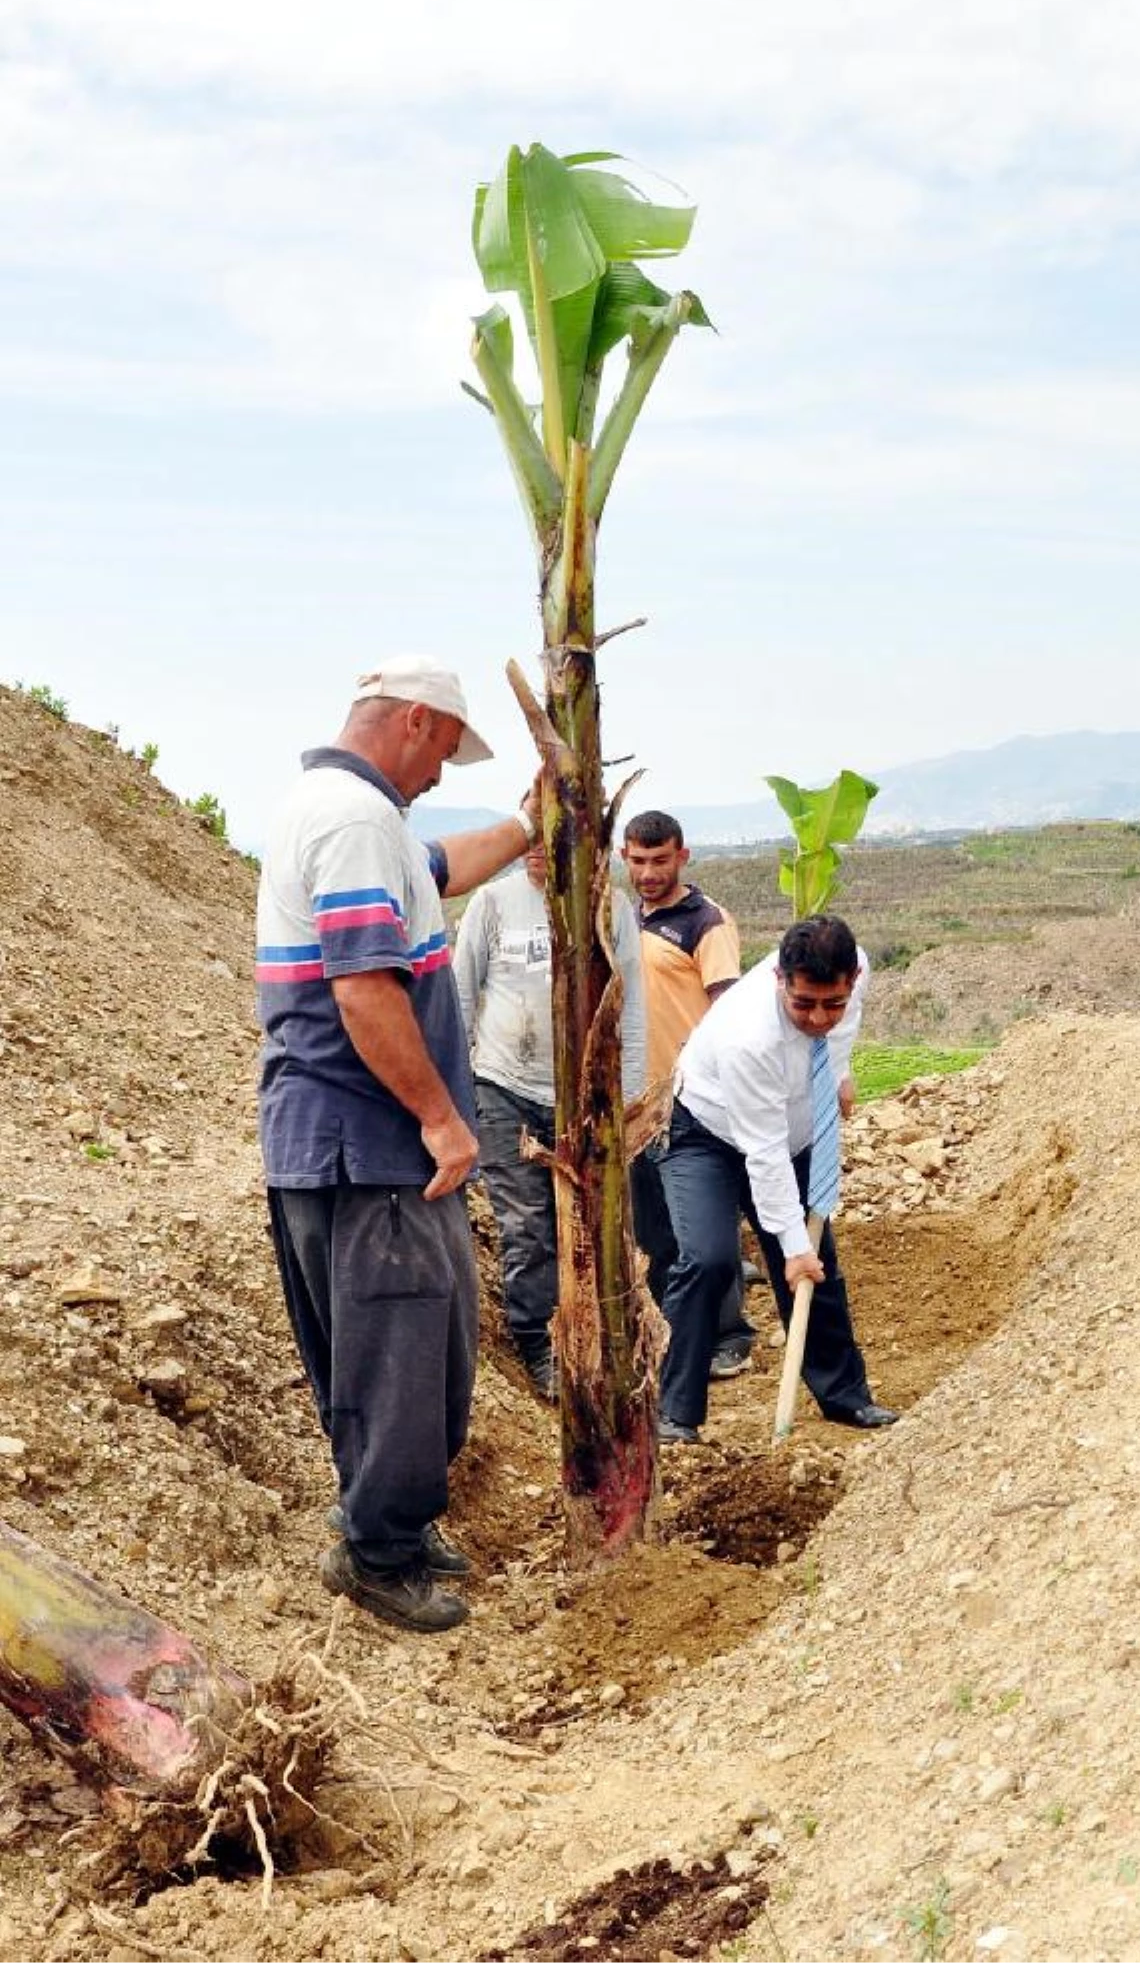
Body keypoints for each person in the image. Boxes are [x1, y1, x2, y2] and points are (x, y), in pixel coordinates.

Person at [256, 653, 543, 1636]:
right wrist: (438, 1115)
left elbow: (444, 869)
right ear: (414, 721)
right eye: (442, 757)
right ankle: (376, 1553)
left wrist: (527, 822)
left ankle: (395, 1523)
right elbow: (363, 988)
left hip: (354, 1148)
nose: (437, 779)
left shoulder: (357, 817)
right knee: (399, 1357)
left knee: (421, 1344)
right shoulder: (351, 819)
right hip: (365, 1146)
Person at [655, 914, 899, 1443]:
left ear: (851, 980)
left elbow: (842, 1031)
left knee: (819, 1264)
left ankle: (845, 1397)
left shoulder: (854, 970)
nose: (818, 1017)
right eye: (803, 1004)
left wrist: (838, 1071)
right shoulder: (749, 1036)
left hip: (793, 1127)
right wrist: (790, 1247)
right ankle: (675, 1413)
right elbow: (762, 1155)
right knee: (708, 1259)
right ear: (779, 980)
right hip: (706, 1130)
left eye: (831, 1003)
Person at [453, 842, 646, 1399]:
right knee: (527, 1229)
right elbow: (462, 996)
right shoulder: (492, 904)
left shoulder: (610, 907)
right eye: (530, 836)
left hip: (582, 1095)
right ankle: (540, 1346)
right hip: (502, 1087)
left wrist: (627, 1095)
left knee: (589, 1223)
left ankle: (603, 1337)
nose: (540, 849)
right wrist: (458, 1091)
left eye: (553, 834)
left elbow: (628, 1005)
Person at [620, 809, 759, 1376]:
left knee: (703, 1225)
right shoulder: (625, 920)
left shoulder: (707, 922)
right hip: (636, 1098)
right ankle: (674, 1334)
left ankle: (728, 1334)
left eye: (660, 860)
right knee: (654, 1226)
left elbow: (728, 1007)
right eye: (638, 861)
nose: (649, 872)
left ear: (682, 857)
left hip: (691, 1096)